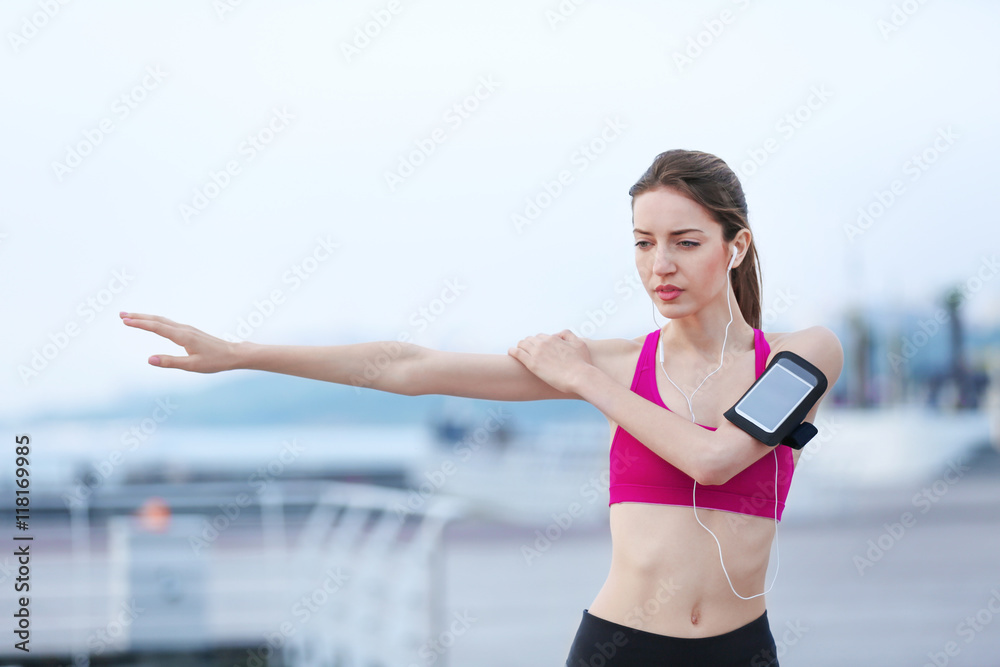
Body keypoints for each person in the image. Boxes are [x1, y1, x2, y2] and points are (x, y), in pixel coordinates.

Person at [121, 149, 843, 666]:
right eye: (643, 242)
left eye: (686, 242)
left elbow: (715, 458)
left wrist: (583, 381)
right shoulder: (624, 362)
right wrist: (244, 352)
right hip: (622, 646)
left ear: (736, 245)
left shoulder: (802, 354)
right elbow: (412, 367)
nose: (661, 265)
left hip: (743, 647)